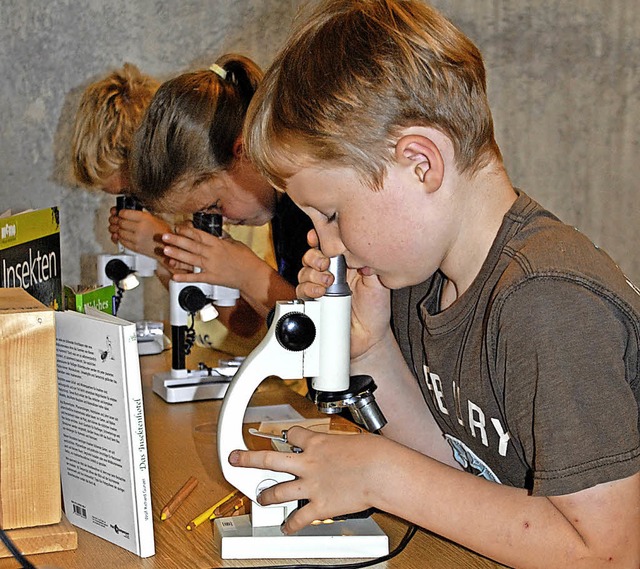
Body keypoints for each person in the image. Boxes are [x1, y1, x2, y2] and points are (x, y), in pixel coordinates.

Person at [230, 1, 640, 567]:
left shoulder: (547, 301)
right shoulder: (421, 279)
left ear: (420, 163)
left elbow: (609, 553)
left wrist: (380, 475)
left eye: (330, 214)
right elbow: (460, 477)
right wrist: (371, 349)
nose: (325, 245)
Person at [129, 54, 314, 327]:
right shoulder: (279, 208)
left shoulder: (311, 205)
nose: (222, 220)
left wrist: (246, 273)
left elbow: (333, 338)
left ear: (244, 152)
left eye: (214, 206)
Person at [70, 62, 172, 285]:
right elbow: (182, 296)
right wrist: (152, 250)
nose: (135, 204)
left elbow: (249, 319)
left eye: (130, 192)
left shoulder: (223, 206)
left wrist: (166, 244)